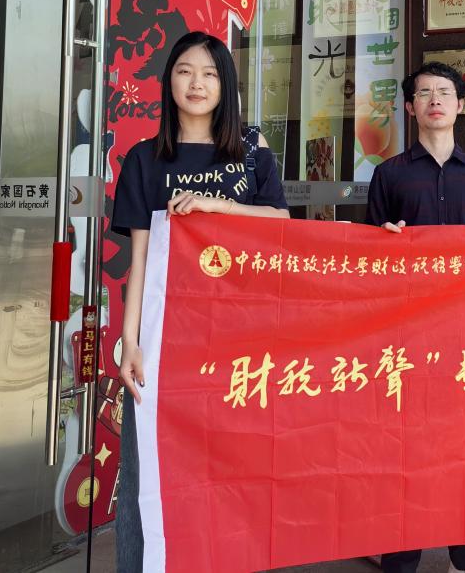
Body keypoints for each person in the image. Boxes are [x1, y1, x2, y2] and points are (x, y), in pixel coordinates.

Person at [112, 31, 290, 572]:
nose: (197, 83)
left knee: (239, 469)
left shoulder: (251, 151)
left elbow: (281, 222)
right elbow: (140, 259)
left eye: (210, 73)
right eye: (185, 71)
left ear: (225, 84)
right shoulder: (145, 159)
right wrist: (129, 342)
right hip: (168, 341)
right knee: (149, 472)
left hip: (242, 338)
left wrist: (219, 206)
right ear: (169, 80)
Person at [365, 60, 465, 573]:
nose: (435, 100)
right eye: (424, 93)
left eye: (444, 92)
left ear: (460, 105)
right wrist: (386, 240)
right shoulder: (389, 174)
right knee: (405, 447)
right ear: (409, 107)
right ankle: (401, 556)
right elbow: (368, 260)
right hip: (407, 331)